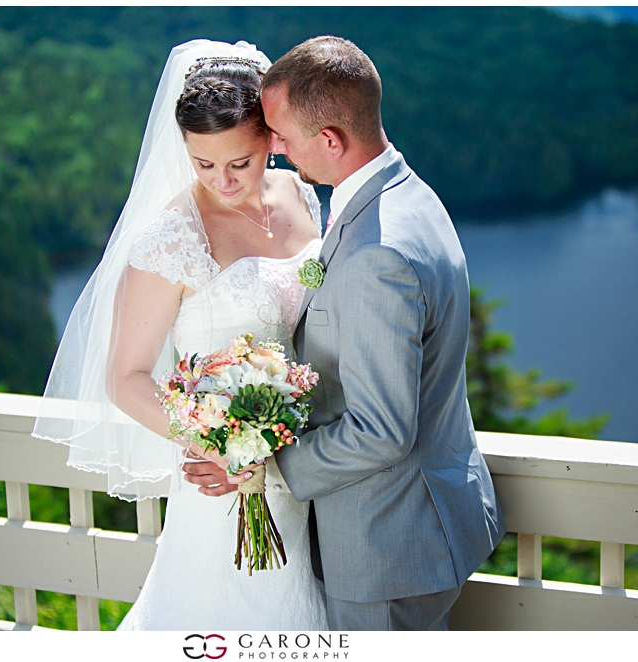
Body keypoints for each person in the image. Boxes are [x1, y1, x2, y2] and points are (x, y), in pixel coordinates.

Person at [183, 36, 506, 631]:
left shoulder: (374, 256)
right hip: (423, 521)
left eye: (279, 134)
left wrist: (265, 464)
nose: (270, 146)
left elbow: (381, 432)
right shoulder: (405, 195)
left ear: (329, 140)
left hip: (385, 547)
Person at [32, 40, 328, 631]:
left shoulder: (297, 194)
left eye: (239, 163)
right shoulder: (169, 239)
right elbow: (124, 376)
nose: (222, 182)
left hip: (312, 463)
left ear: (271, 139)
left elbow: (320, 302)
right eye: (203, 164)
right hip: (223, 479)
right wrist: (221, 442)